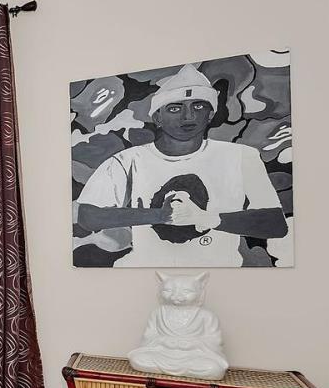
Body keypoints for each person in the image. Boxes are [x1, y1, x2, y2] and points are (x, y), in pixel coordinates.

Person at [76, 64, 287, 266]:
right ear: (157, 117)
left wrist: (205, 218)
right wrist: (161, 215)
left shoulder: (241, 157)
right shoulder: (128, 161)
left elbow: (275, 223)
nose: (188, 116)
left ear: (210, 114)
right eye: (175, 108)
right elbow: (88, 216)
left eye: (198, 106)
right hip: (144, 270)